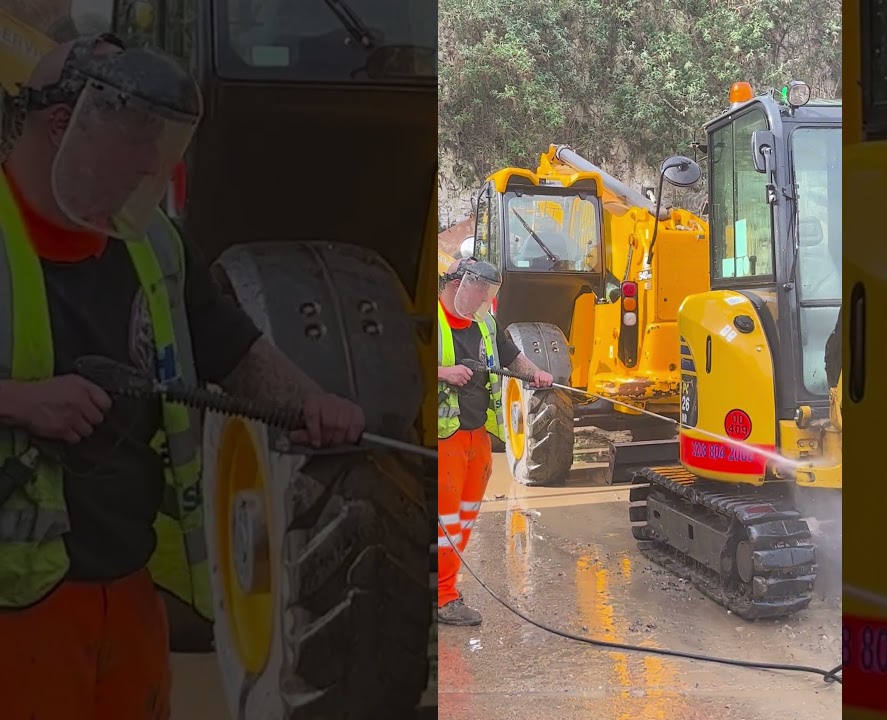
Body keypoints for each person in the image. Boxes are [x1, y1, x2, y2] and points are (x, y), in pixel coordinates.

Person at [0, 35, 365, 719]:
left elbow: (232, 347)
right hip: (14, 605)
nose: (148, 167)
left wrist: (314, 404)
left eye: (156, 145)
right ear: (60, 127)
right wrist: (21, 402)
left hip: (128, 588)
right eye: (132, 143)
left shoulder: (152, 243)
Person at [437, 257, 551, 625]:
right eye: (480, 290)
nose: (486, 298)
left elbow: (511, 357)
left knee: (463, 519)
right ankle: (442, 597)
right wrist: (443, 372)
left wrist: (536, 374)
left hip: (475, 436)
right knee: (444, 521)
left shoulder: (483, 322)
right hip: (443, 436)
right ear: (458, 285)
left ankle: (444, 586)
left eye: (489, 291)